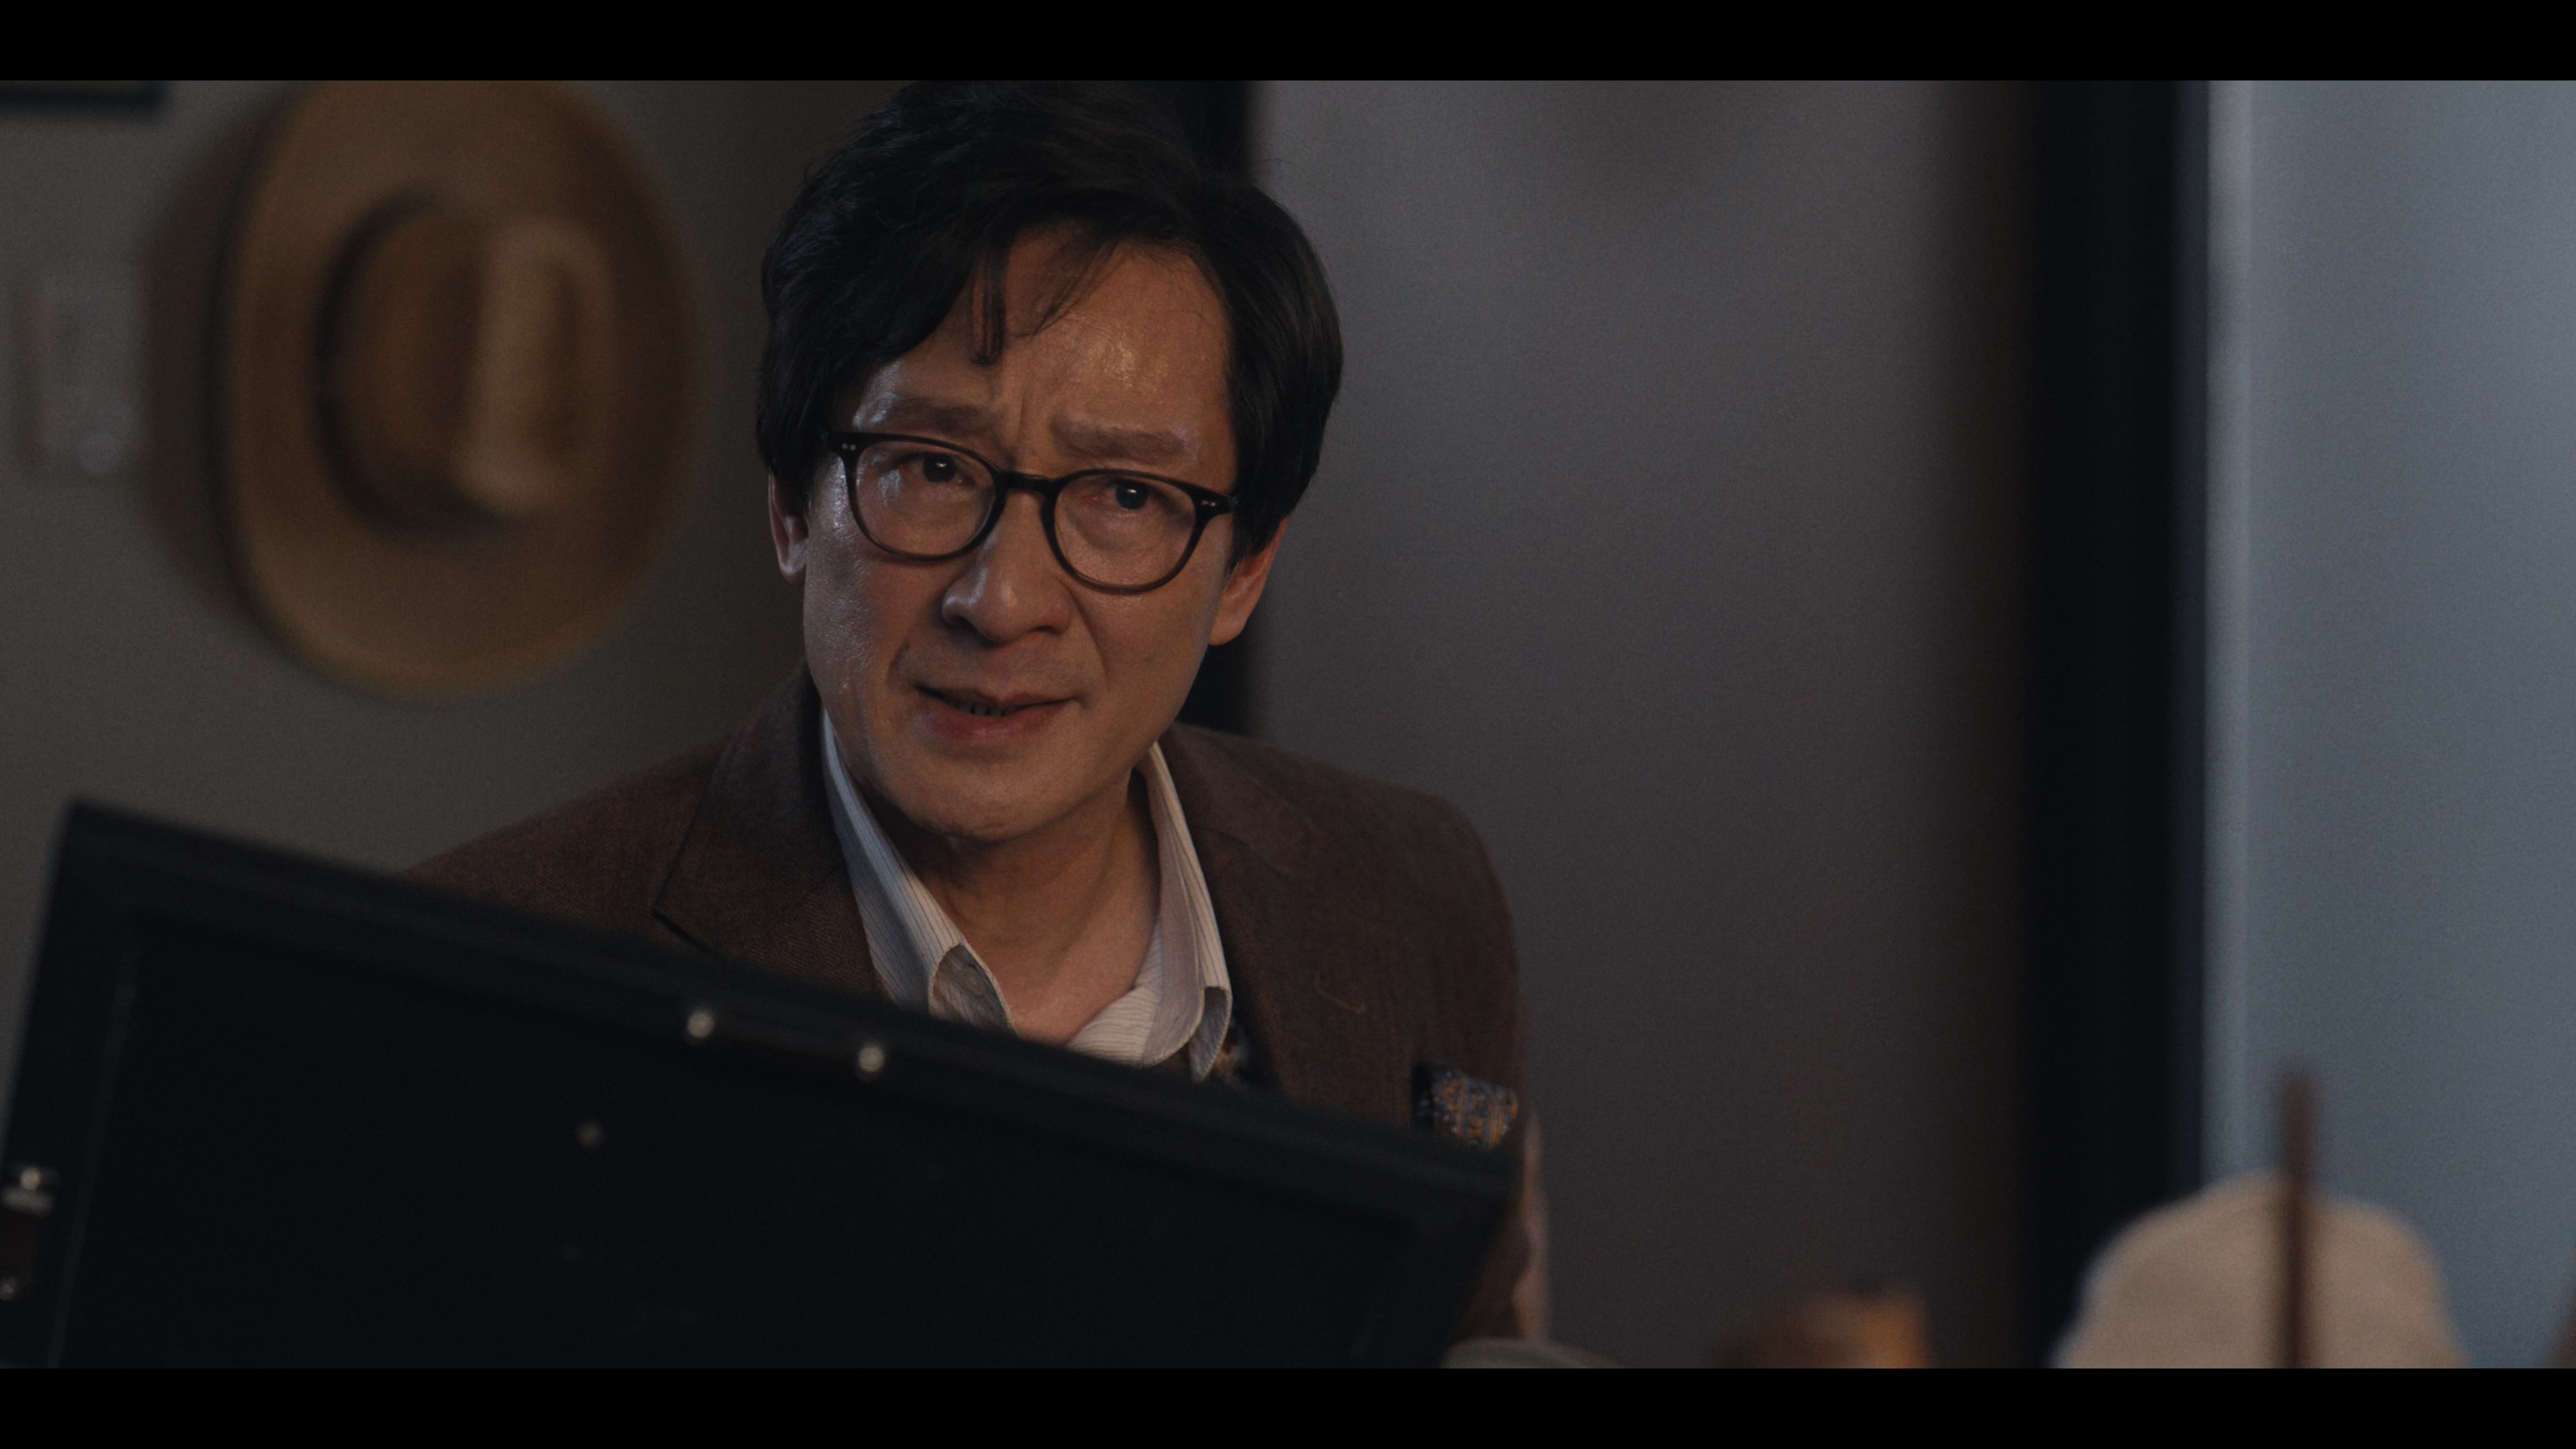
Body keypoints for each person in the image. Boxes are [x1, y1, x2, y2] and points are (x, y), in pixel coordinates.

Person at [415, 80, 1538, 1339]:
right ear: (791, 507)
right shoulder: (487, 971)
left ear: (1246, 571)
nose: (1001, 603)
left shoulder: (1412, 892)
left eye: (1124, 496)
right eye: (932, 469)